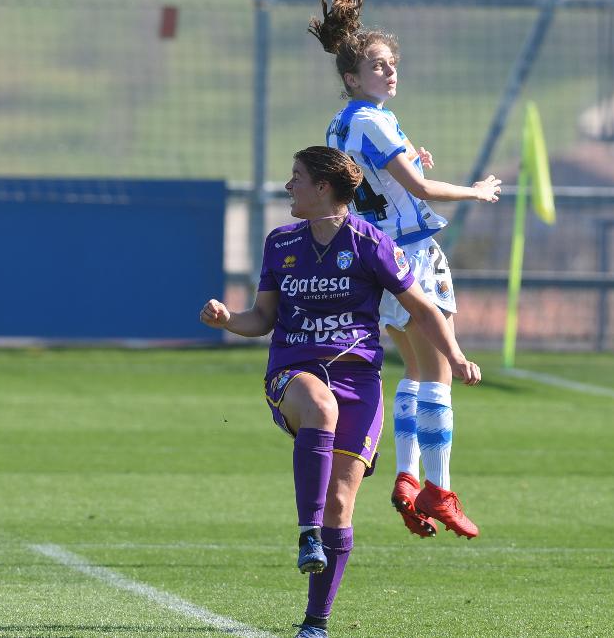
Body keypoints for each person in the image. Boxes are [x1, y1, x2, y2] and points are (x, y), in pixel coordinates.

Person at [199, 146, 481, 638]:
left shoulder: (371, 244)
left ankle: (316, 622)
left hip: (359, 381)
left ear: (323, 188)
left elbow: (422, 308)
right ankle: (308, 534)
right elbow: (262, 319)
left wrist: (455, 357)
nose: (289, 187)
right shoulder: (281, 242)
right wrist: (230, 320)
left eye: (296, 178)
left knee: (341, 504)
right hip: (295, 372)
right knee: (320, 408)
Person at [309, 0, 500, 540]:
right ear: (351, 77)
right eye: (377, 66)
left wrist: (409, 156)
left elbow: (367, 175)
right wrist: (476, 190)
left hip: (373, 256)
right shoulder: (371, 119)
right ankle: (437, 488)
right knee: (439, 370)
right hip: (410, 251)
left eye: (392, 63)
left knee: (415, 370)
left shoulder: (342, 123)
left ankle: (408, 479)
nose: (389, 72)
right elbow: (417, 190)